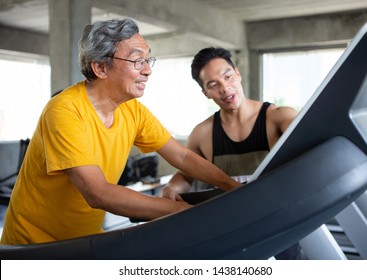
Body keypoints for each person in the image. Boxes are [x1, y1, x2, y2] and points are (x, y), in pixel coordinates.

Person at [0, 19, 241, 245]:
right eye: (137, 61)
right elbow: (98, 193)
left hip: (83, 240)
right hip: (32, 245)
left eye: (148, 60)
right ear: (101, 68)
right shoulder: (64, 110)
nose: (148, 71)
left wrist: (234, 188)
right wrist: (184, 212)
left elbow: (183, 157)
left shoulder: (133, 111)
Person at [161, 47, 300, 259]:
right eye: (213, 85)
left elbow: (311, 140)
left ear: (237, 73)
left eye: (227, 77)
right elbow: (186, 174)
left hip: (279, 225)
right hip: (230, 230)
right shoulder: (202, 134)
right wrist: (171, 187)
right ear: (205, 93)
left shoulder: (279, 117)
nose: (225, 88)